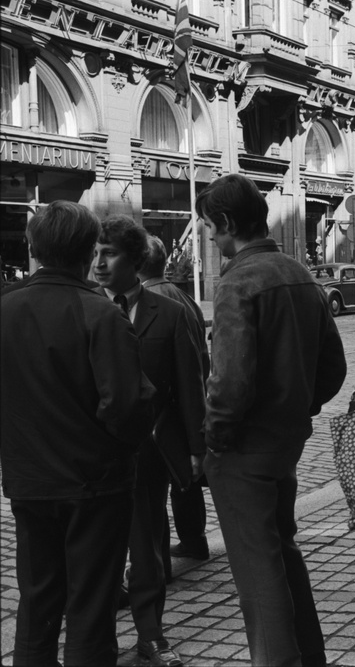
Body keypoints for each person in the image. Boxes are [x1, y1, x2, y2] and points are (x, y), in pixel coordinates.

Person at [197, 173, 347, 667]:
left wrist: (215, 439)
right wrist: (298, 406)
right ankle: (309, 656)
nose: (211, 238)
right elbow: (333, 369)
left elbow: (229, 383)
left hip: (244, 450)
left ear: (225, 223)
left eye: (210, 228)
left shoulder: (237, 281)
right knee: (282, 552)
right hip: (286, 444)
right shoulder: (299, 273)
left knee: (258, 573)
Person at [1, 201, 155, 666]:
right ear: (88, 251)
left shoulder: (5, 310)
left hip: (30, 482)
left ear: (33, 248)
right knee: (90, 607)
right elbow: (127, 406)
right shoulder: (101, 314)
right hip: (95, 485)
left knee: (37, 602)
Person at [93, 216, 206, 667]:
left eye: (109, 253)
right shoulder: (84, 308)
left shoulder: (170, 313)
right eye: (95, 253)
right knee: (97, 550)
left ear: (136, 260)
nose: (99, 263)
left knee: (147, 551)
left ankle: (151, 635)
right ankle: (97, 639)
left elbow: (189, 385)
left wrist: (196, 448)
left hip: (149, 453)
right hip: (94, 454)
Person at [138, 235, 212, 561]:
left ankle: (160, 561)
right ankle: (194, 539)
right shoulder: (185, 298)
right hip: (190, 400)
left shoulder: (148, 302)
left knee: (155, 487)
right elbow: (202, 357)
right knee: (185, 477)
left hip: (164, 408)